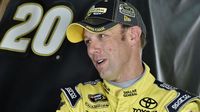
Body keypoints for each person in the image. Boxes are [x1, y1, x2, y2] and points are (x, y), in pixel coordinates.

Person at [56, 0, 200, 111]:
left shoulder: (178, 106)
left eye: (102, 35)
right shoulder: (77, 99)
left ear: (133, 36)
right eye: (88, 41)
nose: (92, 49)